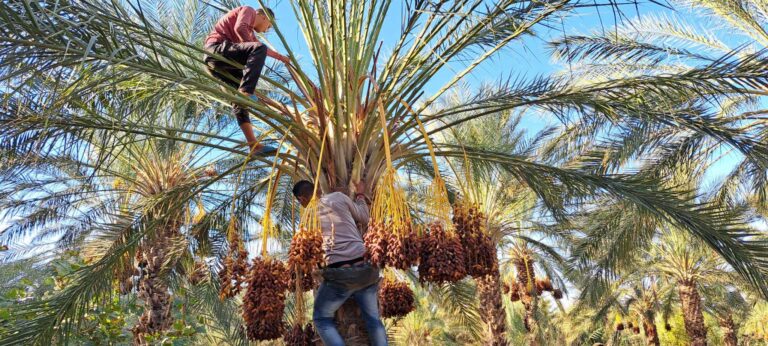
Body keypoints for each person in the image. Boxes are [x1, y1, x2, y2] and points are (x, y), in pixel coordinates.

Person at [292, 180, 388, 346]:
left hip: (340, 276)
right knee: (373, 320)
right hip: (366, 270)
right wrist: (359, 194)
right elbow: (364, 218)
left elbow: (312, 256)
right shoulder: (338, 197)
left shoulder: (308, 219)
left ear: (301, 199)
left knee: (321, 318)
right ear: (319, 188)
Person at [203, 6, 289, 154]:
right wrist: (252, 48)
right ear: (264, 16)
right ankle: (246, 94)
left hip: (221, 63)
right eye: (269, 25)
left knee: (238, 100)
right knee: (257, 51)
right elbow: (240, 28)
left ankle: (253, 145)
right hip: (216, 51)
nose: (267, 30)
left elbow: (262, 49)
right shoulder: (249, 10)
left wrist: (281, 58)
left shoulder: (250, 34)